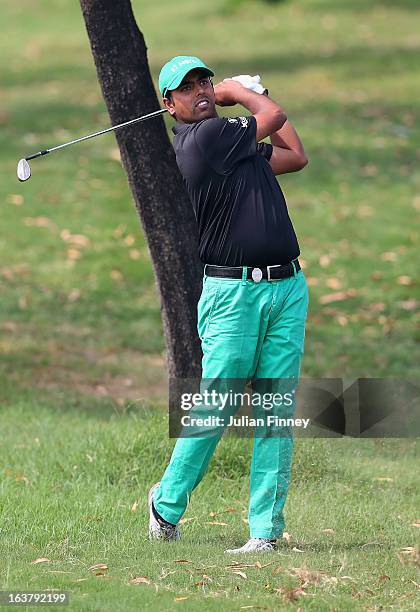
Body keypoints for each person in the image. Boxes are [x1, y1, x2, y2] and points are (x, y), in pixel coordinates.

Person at [148, 55, 309, 553]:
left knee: (276, 411)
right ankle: (166, 502)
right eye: (187, 88)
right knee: (216, 405)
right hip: (233, 294)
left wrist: (248, 98)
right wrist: (240, 91)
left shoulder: (234, 146)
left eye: (204, 80)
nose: (199, 90)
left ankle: (265, 532)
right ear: (169, 104)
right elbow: (274, 117)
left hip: (286, 287)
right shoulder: (202, 142)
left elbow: (294, 155)